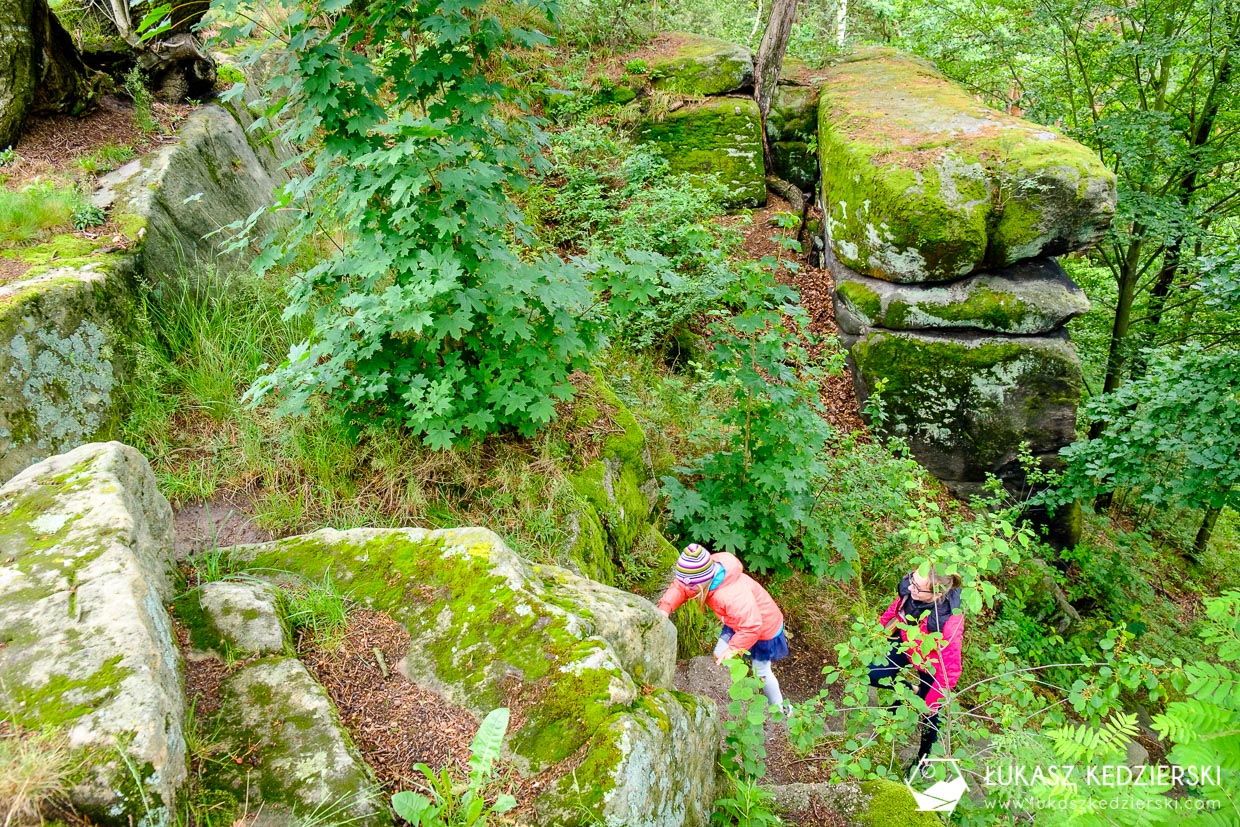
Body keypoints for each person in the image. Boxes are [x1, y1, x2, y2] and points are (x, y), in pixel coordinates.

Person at [656, 543, 790, 712]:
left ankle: (779, 708)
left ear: (700, 584)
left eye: (690, 586)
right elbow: (681, 586)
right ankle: (732, 691)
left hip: (764, 630)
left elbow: (752, 625)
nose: (686, 588)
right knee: (720, 656)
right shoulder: (704, 575)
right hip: (737, 623)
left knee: (761, 671)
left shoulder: (730, 595)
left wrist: (734, 648)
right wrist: (665, 608)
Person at [869, 565, 963, 773]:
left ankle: (925, 757)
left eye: (918, 587)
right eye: (911, 580)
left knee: (930, 713)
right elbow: (896, 609)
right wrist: (879, 632)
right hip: (906, 643)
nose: (911, 588)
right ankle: (912, 691)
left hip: (931, 664)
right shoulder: (911, 589)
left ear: (937, 593)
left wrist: (933, 701)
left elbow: (952, 669)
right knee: (872, 674)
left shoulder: (948, 622)